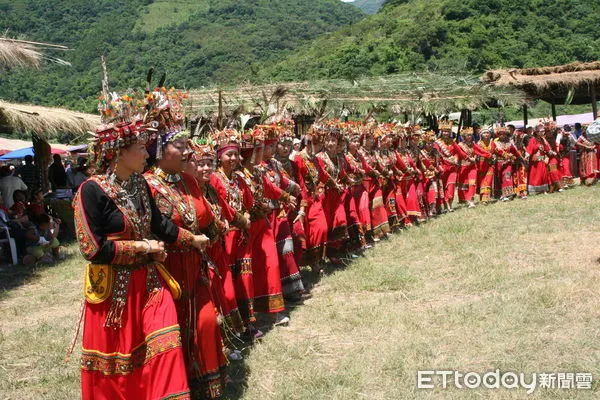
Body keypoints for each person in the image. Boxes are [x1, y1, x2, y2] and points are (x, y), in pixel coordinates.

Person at [73, 111, 210, 399]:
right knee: (121, 365)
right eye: (140, 148)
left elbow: (160, 225)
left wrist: (191, 239)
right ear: (119, 152)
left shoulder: (140, 185)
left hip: (149, 283)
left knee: (167, 343)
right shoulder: (91, 191)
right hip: (115, 294)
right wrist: (142, 247)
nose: (147, 153)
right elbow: (92, 248)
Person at [145, 129, 226, 399]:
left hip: (195, 266)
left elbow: (205, 219)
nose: (187, 151)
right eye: (180, 146)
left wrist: (220, 229)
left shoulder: (187, 182)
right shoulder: (147, 185)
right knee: (174, 332)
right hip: (166, 272)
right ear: (159, 151)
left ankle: (206, 386)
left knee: (205, 323)